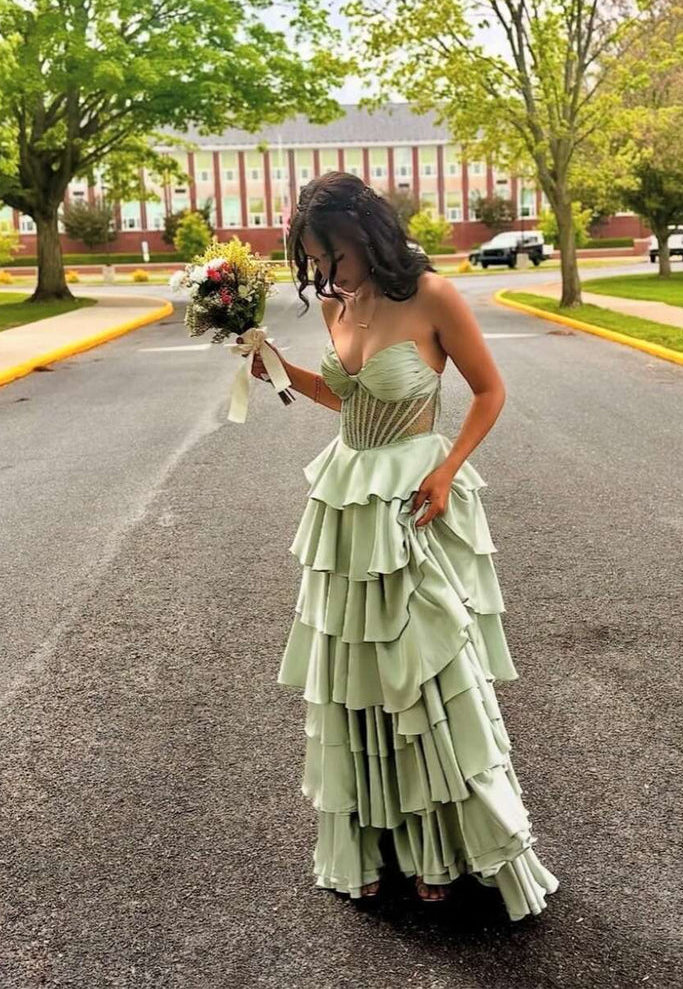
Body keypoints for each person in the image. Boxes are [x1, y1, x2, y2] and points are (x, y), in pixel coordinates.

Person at [245, 171, 560, 920]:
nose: (327, 273)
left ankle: (445, 846)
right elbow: (344, 399)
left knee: (423, 673)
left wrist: (450, 470)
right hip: (348, 501)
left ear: (367, 232)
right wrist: (276, 370)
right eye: (316, 260)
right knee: (359, 678)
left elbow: (489, 391)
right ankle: (380, 846)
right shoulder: (334, 304)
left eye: (336, 256)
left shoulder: (433, 296)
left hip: (415, 498)